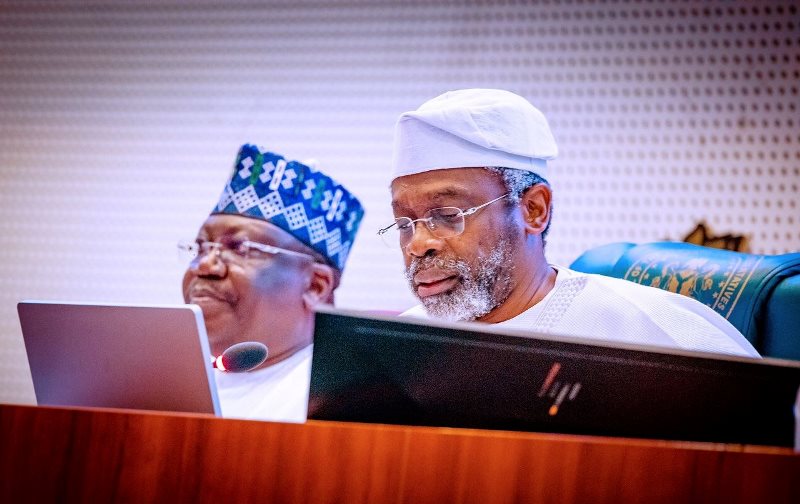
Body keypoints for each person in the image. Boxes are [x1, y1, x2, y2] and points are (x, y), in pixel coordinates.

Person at [381, 88, 758, 357]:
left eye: (448, 216)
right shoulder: (393, 351)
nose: (417, 244)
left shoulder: (656, 338)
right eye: (403, 224)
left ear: (533, 210)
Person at [181, 143, 364, 421]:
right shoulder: (162, 383)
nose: (204, 265)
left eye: (239, 248)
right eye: (202, 247)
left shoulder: (345, 403)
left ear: (315, 286)